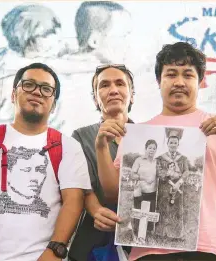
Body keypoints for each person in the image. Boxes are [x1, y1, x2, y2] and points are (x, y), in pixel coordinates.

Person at [95, 41, 216, 261]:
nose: (179, 82)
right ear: (159, 81)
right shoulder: (139, 133)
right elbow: (114, 192)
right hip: (148, 250)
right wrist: (101, 147)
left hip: (209, 249)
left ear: (200, 81)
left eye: (188, 75)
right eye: (171, 74)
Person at [0, 62, 91, 261]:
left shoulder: (68, 146)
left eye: (46, 89)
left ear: (53, 104)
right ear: (13, 94)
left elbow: (74, 200)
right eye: (28, 85)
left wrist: (54, 253)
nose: (37, 92)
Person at [68, 64, 135, 261]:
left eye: (120, 84)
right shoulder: (81, 136)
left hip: (137, 243)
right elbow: (78, 185)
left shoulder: (147, 137)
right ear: (96, 99)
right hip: (96, 240)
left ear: (131, 94)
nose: (113, 90)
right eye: (104, 85)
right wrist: (95, 209)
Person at [0, 4, 64, 134]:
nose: (57, 35)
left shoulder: (50, 58)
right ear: (28, 37)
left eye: (57, 29)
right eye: (49, 32)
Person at [155, 128, 189, 240]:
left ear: (178, 144)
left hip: (178, 188)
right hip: (164, 188)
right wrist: (168, 175)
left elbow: (186, 172)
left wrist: (179, 183)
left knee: (176, 209)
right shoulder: (161, 158)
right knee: (163, 208)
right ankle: (161, 233)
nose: (173, 145)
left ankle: (176, 235)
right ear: (167, 143)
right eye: (171, 142)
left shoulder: (183, 158)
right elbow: (159, 171)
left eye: (175, 143)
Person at [131, 139, 158, 243]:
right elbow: (132, 174)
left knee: (150, 213)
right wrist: (143, 177)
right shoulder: (139, 160)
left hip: (152, 192)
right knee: (139, 213)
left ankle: (148, 235)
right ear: (146, 148)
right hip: (140, 192)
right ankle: (136, 234)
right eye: (150, 148)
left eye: (154, 148)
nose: (152, 150)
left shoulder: (156, 162)